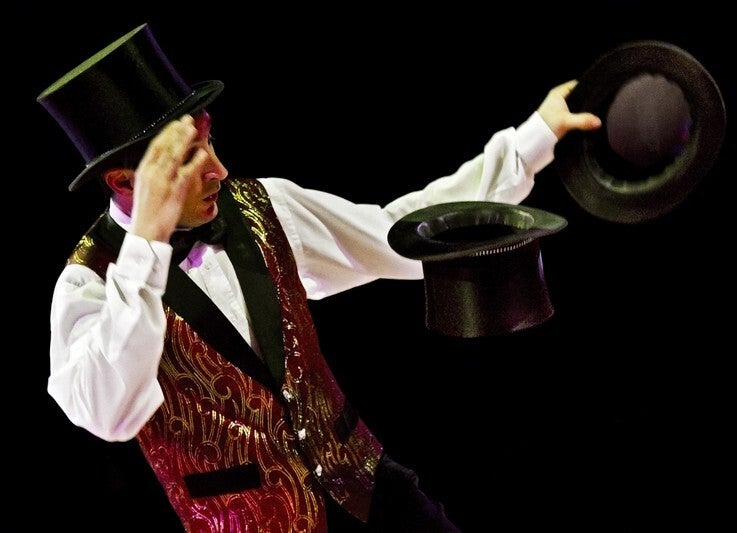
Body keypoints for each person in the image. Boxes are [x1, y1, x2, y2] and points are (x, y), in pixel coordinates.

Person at [39, 23, 601, 533]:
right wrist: (146, 245)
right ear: (124, 182)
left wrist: (532, 140)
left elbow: (399, 233)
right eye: (189, 159)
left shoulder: (264, 206)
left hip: (370, 492)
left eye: (211, 141)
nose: (219, 170)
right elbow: (109, 413)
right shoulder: (88, 285)